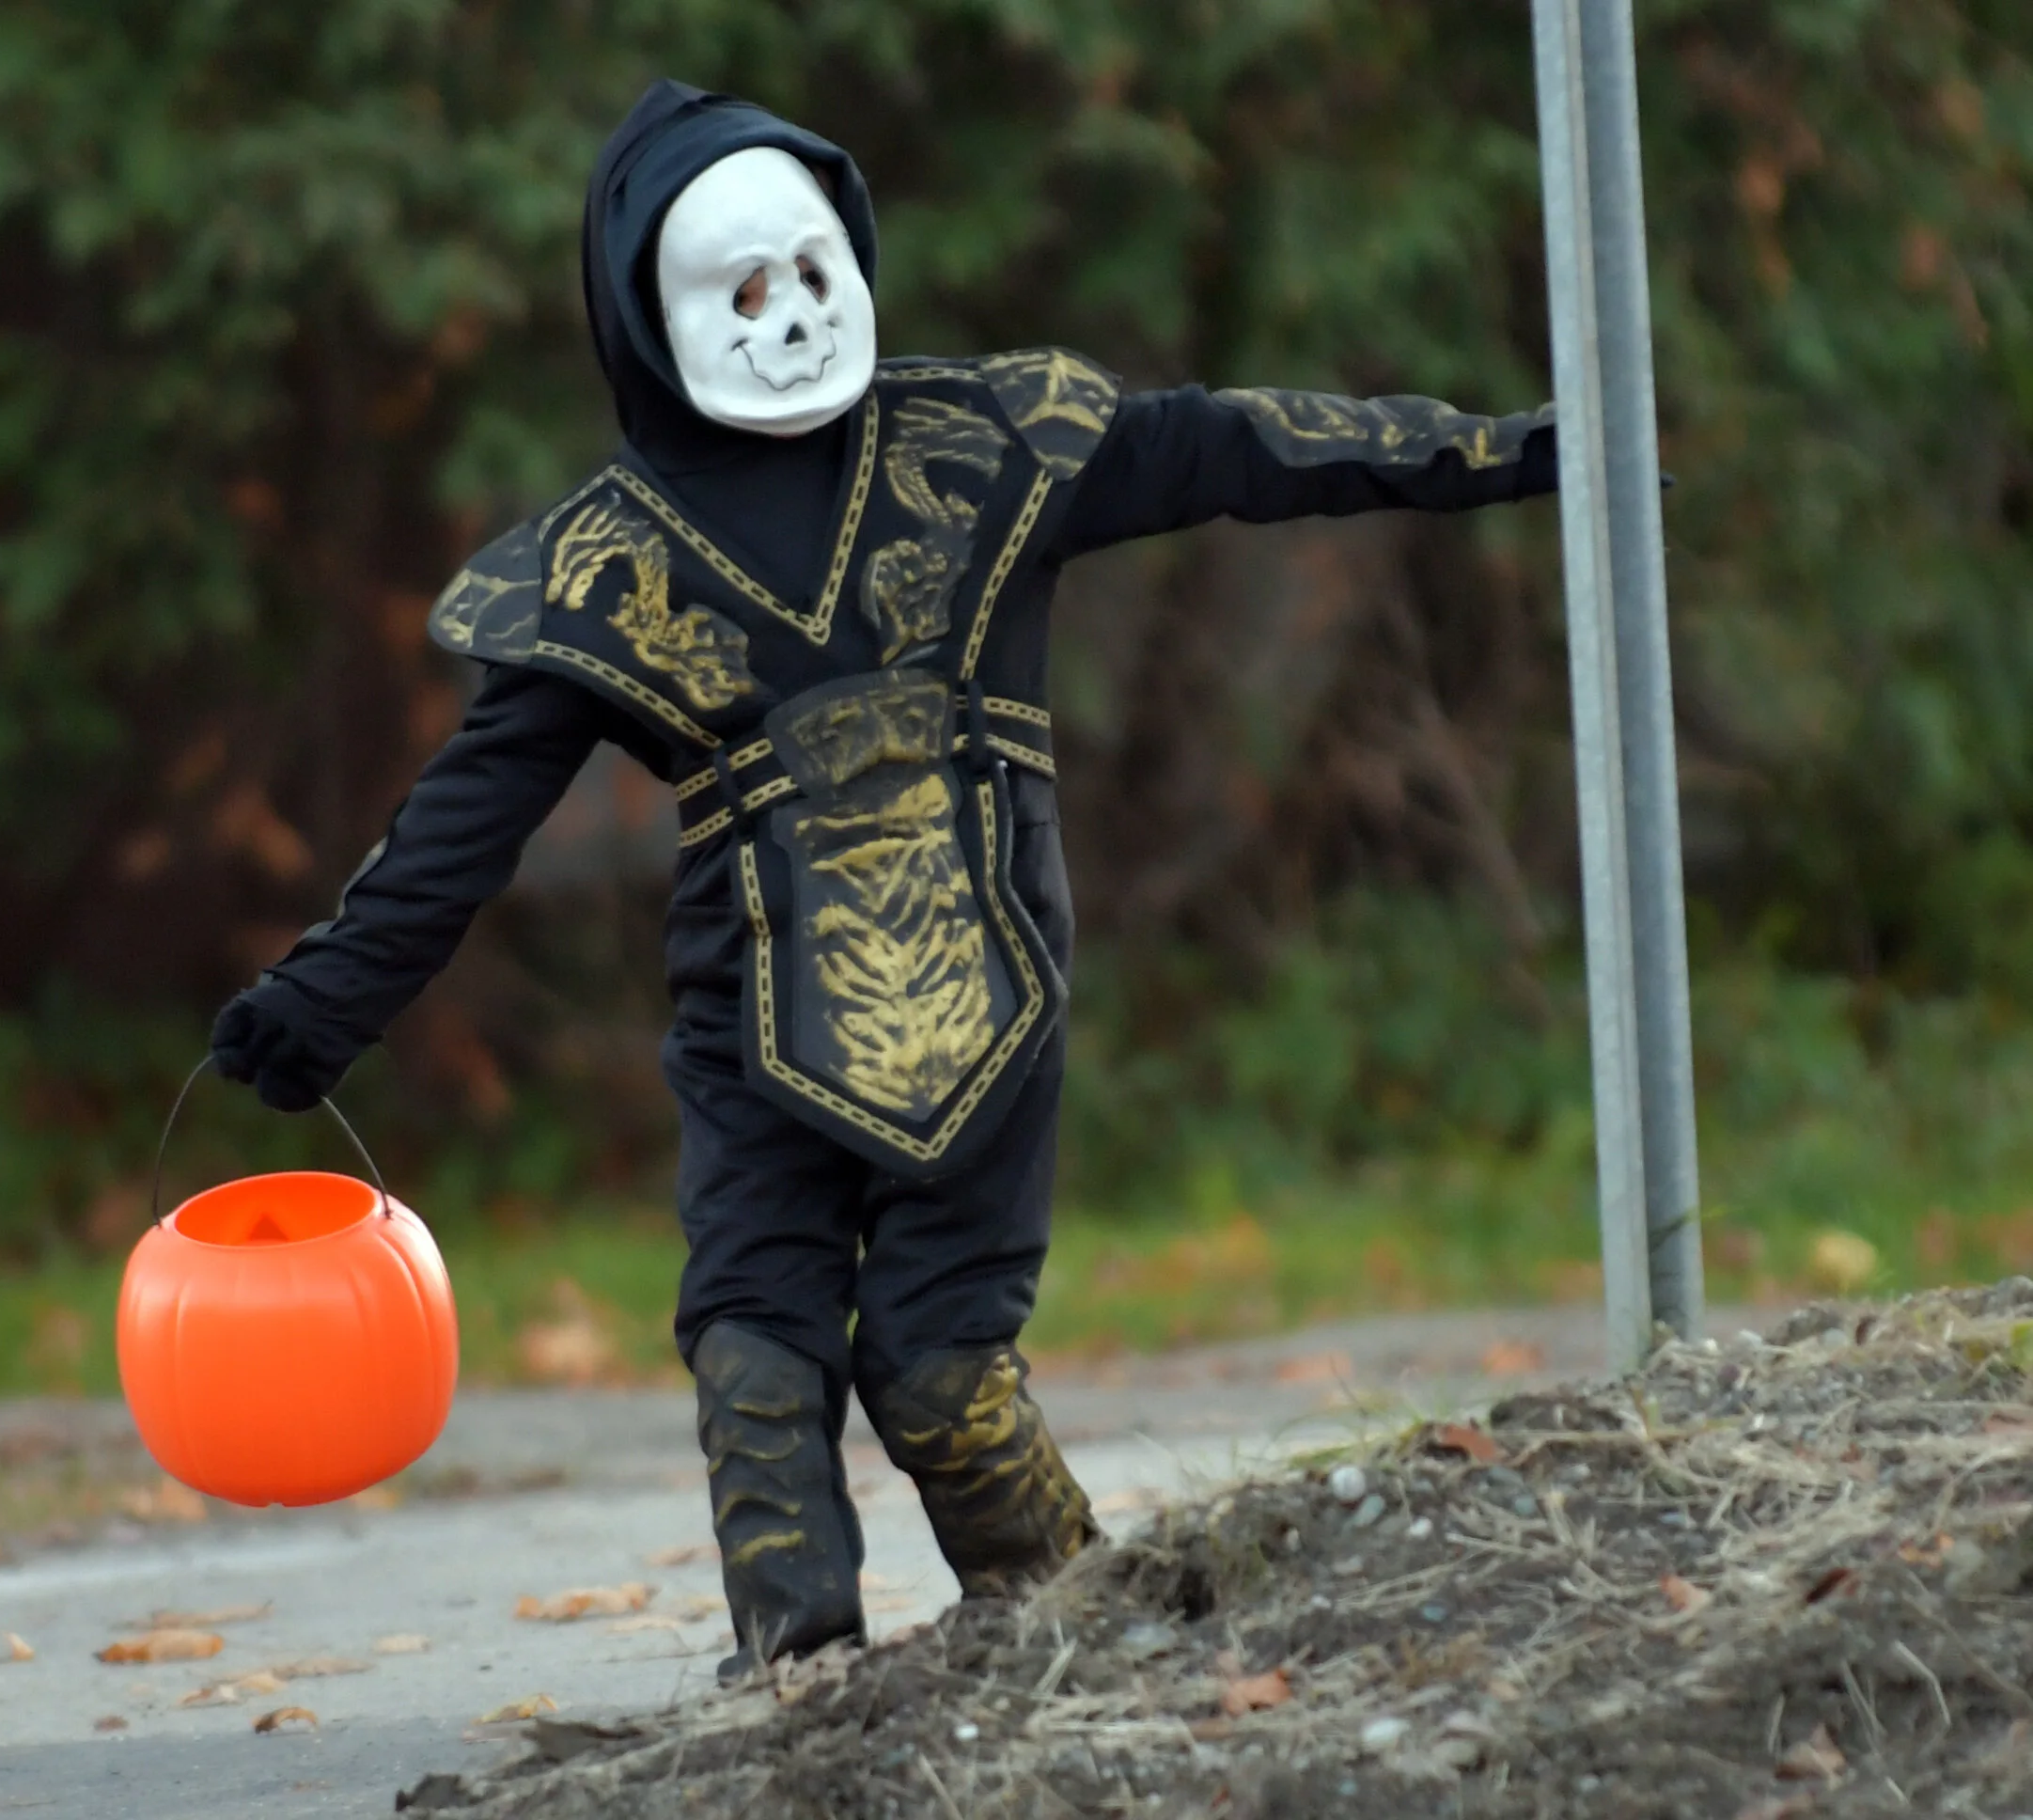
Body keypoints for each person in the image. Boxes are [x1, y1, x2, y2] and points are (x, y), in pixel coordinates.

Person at [210, 79, 1558, 1683]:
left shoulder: (990, 448)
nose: (785, 324)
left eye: (807, 273)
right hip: (748, 1016)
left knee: (938, 1377)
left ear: (854, 254)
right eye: (739, 291)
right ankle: (801, 1688)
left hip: (983, 1006)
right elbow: (460, 824)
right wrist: (319, 1007)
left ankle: (1087, 1656)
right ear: (654, 320)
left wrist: (1535, 452)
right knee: (757, 1355)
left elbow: (1247, 446)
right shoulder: (605, 567)